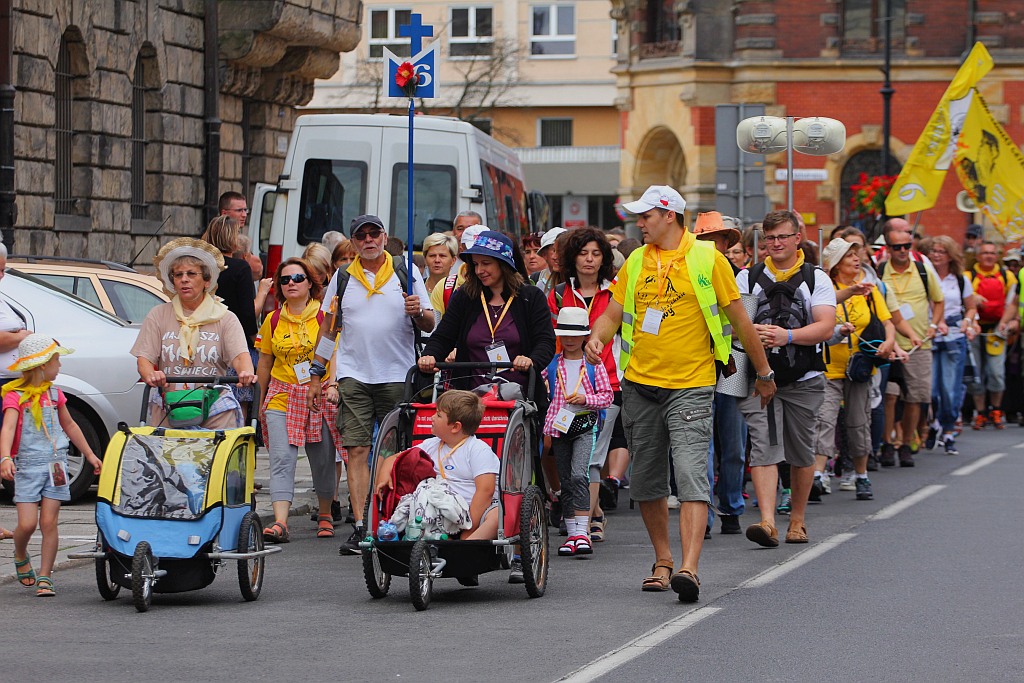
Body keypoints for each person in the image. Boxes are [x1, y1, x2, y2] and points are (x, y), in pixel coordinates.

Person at [586, 185, 775, 603]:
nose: (639, 223)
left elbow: (741, 321)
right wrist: (597, 338)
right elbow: (612, 314)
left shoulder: (709, 259)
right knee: (649, 483)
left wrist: (763, 371)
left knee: (691, 476)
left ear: (669, 215)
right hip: (640, 385)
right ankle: (663, 560)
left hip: (691, 386)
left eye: (646, 216)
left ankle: (689, 567)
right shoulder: (636, 260)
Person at [307, 214, 435, 555]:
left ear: (384, 236)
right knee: (356, 449)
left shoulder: (406, 271)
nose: (368, 240)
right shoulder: (343, 277)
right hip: (354, 374)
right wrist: (316, 374)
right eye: (361, 235)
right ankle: (363, 524)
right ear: (353, 242)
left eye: (374, 233)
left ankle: (393, 518)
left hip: (397, 373)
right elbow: (329, 328)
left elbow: (431, 322)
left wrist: (417, 312)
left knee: (395, 450)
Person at [737, 209, 836, 548]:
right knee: (763, 445)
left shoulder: (816, 278)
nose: (776, 244)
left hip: (804, 377)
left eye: (782, 237)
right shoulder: (746, 278)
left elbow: (825, 326)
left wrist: (786, 337)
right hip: (756, 376)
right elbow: (734, 328)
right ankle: (767, 522)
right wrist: (754, 334)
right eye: (770, 239)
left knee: (800, 450)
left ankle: (797, 519)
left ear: (797, 238)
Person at [0, 334, 103, 596]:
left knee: (49, 522)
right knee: (26, 524)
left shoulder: (55, 394)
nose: (60, 366)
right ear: (42, 365)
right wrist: (5, 457)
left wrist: (90, 455)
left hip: (56, 466)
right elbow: (8, 428)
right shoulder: (15, 396)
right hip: (27, 466)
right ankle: (21, 553)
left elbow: (70, 425)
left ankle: (45, 575)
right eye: (57, 360)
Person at [549, 226, 626, 538]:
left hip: (607, 383)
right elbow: (553, 339)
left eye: (596, 254)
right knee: (567, 459)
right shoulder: (558, 293)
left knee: (593, 457)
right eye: (583, 253)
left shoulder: (617, 291)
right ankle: (592, 511)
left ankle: (586, 526)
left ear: (604, 258)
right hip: (565, 386)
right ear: (573, 257)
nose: (589, 260)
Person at [132, 238, 255, 429]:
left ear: (207, 281)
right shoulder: (158, 315)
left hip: (215, 406)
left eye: (191, 274)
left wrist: (245, 373)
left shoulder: (225, 317)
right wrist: (151, 374)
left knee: (214, 457)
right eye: (178, 274)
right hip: (169, 406)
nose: (184, 279)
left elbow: (240, 357)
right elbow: (144, 359)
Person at [256, 258, 338, 542]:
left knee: (323, 459)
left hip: (318, 391)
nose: (291, 283)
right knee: (281, 458)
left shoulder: (324, 316)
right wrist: (260, 402)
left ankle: (325, 512)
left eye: (297, 278)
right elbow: (265, 362)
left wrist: (333, 384)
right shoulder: (273, 319)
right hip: (282, 393)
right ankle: (281, 522)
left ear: (311, 284)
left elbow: (336, 353)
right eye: (285, 279)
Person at [814, 239, 896, 501]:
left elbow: (888, 323)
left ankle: (861, 475)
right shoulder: (824, 290)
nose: (855, 259)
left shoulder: (870, 290)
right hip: (828, 367)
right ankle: (819, 474)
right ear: (835, 265)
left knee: (858, 422)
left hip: (860, 367)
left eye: (856, 254)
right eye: (848, 256)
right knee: (824, 420)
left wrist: (889, 343)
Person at [374, 390, 500, 540]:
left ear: (455, 427)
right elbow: (394, 458)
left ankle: (465, 546)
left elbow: (486, 491)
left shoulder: (478, 449)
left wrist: (469, 527)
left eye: (438, 415)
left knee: (496, 516)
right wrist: (384, 476)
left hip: (474, 511)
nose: (432, 417)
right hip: (439, 509)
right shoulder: (432, 444)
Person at [692, 211, 747, 534]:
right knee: (703, 443)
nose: (710, 245)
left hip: (733, 363)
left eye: (715, 240)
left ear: (726, 242)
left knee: (733, 441)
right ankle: (706, 516)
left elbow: (746, 325)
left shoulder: (741, 276)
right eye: (704, 240)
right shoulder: (688, 271)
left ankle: (731, 507)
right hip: (700, 361)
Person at [543, 308, 613, 556]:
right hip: (560, 427)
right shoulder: (552, 364)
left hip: (584, 425)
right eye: (564, 334)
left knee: (578, 474)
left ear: (585, 335)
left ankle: (582, 532)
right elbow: (542, 389)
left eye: (575, 334)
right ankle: (573, 534)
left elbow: (607, 396)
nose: (569, 339)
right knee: (565, 480)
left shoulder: (593, 364)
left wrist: (585, 399)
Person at [877, 218, 944, 466]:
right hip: (889, 343)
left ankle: (906, 443)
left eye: (907, 246)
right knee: (891, 396)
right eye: (897, 247)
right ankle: (888, 443)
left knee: (915, 397)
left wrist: (935, 325)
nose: (903, 251)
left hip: (920, 344)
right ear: (888, 248)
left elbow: (939, 300)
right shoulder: (880, 270)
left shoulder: (923, 270)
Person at [922, 236, 977, 454]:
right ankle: (934, 421)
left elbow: (970, 307)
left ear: (950, 255)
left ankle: (948, 430)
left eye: (941, 251)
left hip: (954, 337)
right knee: (931, 389)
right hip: (930, 335)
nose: (936, 255)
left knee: (950, 388)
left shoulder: (960, 279)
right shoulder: (924, 276)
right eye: (933, 251)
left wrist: (968, 321)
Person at [201, 216, 260, 409]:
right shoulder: (240, 268)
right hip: (236, 342)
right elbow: (247, 313)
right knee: (240, 398)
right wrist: (255, 339)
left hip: (206, 340)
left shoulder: (202, 267)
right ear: (231, 238)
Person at [967, 241, 1018, 429]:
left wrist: (1011, 322)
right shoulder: (968, 276)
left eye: (992, 253)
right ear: (978, 256)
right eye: (985, 253)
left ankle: (996, 410)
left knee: (996, 372)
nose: (988, 256)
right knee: (976, 373)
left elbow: (1015, 301)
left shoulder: (1008, 277)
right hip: (975, 329)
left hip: (997, 330)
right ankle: (980, 413)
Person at [429, 224, 487, 318]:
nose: (477, 256)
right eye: (472, 250)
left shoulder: (501, 286)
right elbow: (433, 329)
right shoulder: (444, 287)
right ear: (462, 250)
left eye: (483, 251)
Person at [533, 227, 567, 293]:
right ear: (544, 254)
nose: (555, 256)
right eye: (554, 250)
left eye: (560, 250)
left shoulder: (584, 283)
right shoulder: (540, 286)